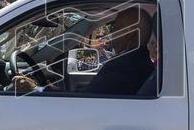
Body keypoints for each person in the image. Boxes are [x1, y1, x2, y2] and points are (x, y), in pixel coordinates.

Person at [10, 6, 155, 96]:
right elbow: (92, 94)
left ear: (129, 33)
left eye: (115, 27)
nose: (111, 33)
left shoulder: (124, 67)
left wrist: (35, 89)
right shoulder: (138, 64)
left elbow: (83, 101)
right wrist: (52, 90)